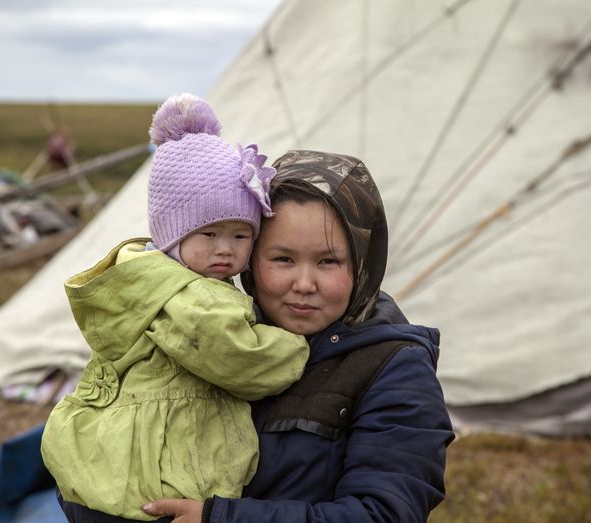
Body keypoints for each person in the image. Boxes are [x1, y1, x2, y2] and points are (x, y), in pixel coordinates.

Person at [142, 149, 455, 522]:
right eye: (283, 259)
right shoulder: (224, 341)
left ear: (362, 264)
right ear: (252, 262)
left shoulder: (394, 370)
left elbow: (383, 514)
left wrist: (220, 519)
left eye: (328, 261)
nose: (304, 284)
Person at [41, 94, 310, 522]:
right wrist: (299, 345)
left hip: (107, 473)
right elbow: (243, 358)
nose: (225, 250)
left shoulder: (147, 276)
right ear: (173, 234)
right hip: (149, 482)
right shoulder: (191, 297)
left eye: (240, 236)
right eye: (209, 235)